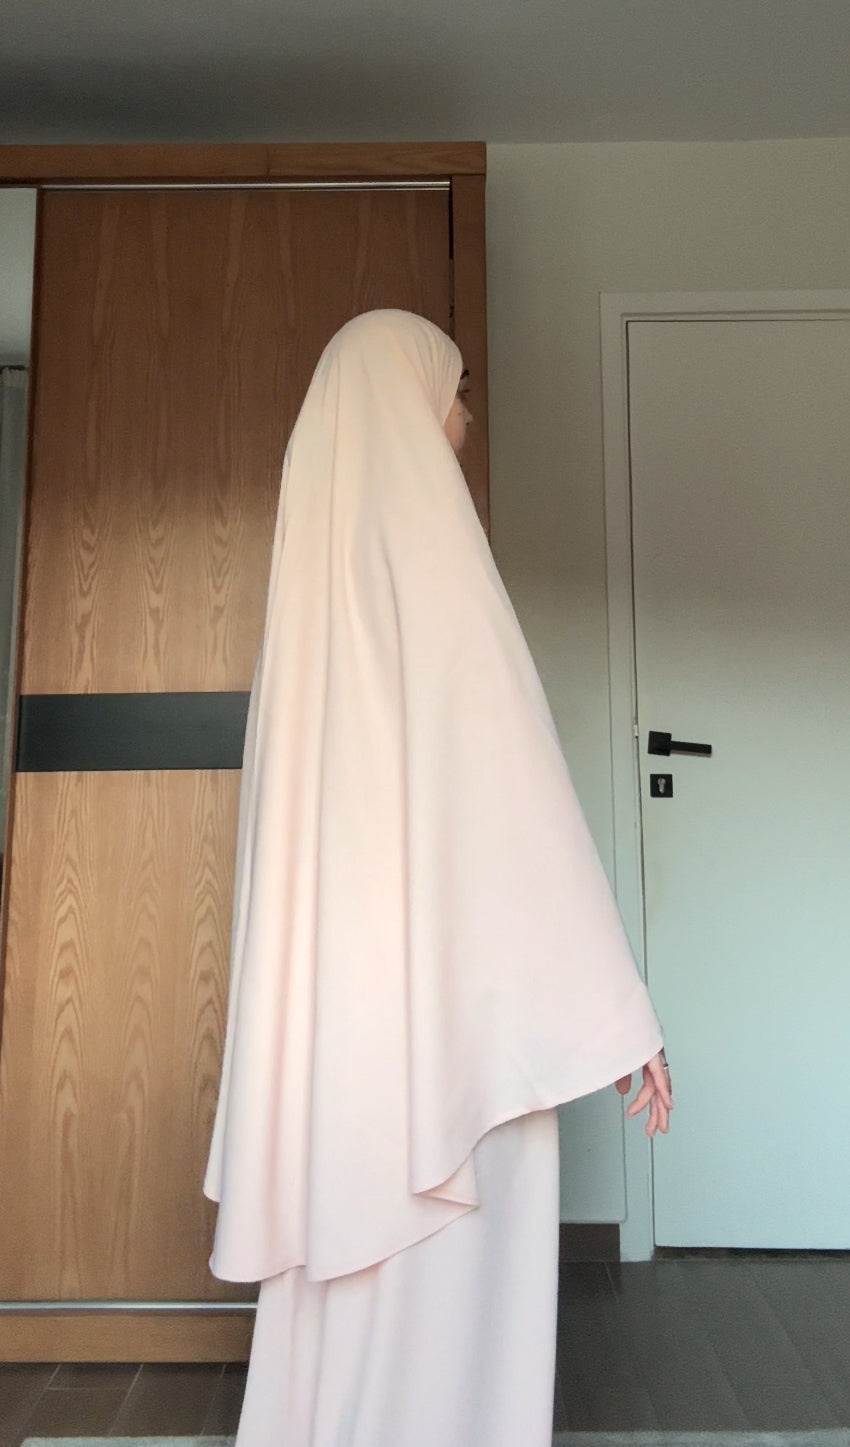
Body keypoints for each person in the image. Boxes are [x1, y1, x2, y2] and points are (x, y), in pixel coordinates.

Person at [204, 309, 672, 1447]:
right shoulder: (434, 557)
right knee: (451, 1294)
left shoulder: (309, 598)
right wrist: (618, 1016)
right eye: (459, 396)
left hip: (338, 1033)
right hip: (451, 1043)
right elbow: (512, 794)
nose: (465, 423)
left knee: (348, 1280)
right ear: (412, 404)